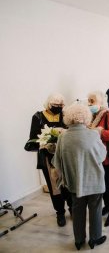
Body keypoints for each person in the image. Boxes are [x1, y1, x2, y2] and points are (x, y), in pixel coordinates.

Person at [52, 104, 107, 250]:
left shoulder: (63, 136)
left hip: (74, 181)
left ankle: (78, 240)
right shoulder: (93, 134)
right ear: (86, 117)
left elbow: (57, 160)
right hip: (94, 180)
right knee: (95, 209)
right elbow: (102, 155)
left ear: (68, 118)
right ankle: (95, 238)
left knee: (77, 210)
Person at [24, 93, 72, 227]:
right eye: (55, 105)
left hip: (65, 155)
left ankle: (72, 208)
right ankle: (60, 212)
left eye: (61, 105)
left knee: (68, 183)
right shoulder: (38, 117)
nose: (59, 108)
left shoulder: (64, 115)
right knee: (54, 187)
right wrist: (45, 142)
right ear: (49, 104)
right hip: (48, 157)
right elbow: (33, 138)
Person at [88, 91, 109, 227]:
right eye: (89, 101)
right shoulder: (91, 116)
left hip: (108, 157)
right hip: (96, 158)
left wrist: (100, 132)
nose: (90, 104)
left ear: (101, 102)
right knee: (103, 186)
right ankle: (107, 207)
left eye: (93, 101)